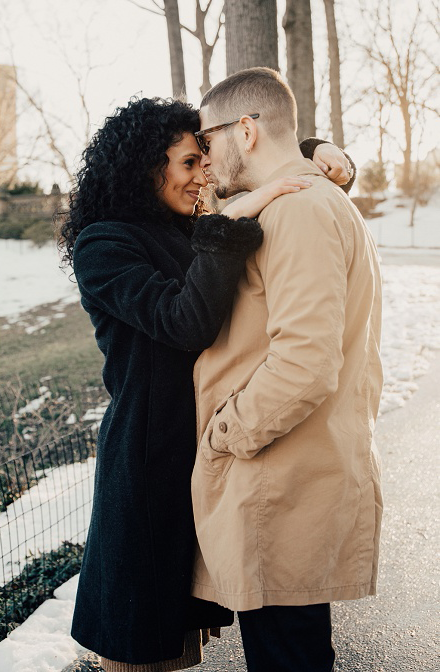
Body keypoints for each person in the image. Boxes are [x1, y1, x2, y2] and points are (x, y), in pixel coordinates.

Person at [61, 96, 355, 671]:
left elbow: (252, 150)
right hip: (150, 459)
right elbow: (182, 321)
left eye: (202, 160)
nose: (202, 177)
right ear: (147, 166)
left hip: (208, 453)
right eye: (187, 164)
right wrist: (239, 215)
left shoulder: (185, 223)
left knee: (189, 643)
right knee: (141, 650)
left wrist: (315, 150)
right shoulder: (105, 243)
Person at [190, 66, 382, 672]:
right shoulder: (304, 202)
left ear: (244, 131)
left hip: (280, 479)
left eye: (208, 141)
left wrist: (225, 434)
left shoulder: (297, 211)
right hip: (287, 477)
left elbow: (305, 361)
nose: (204, 159)